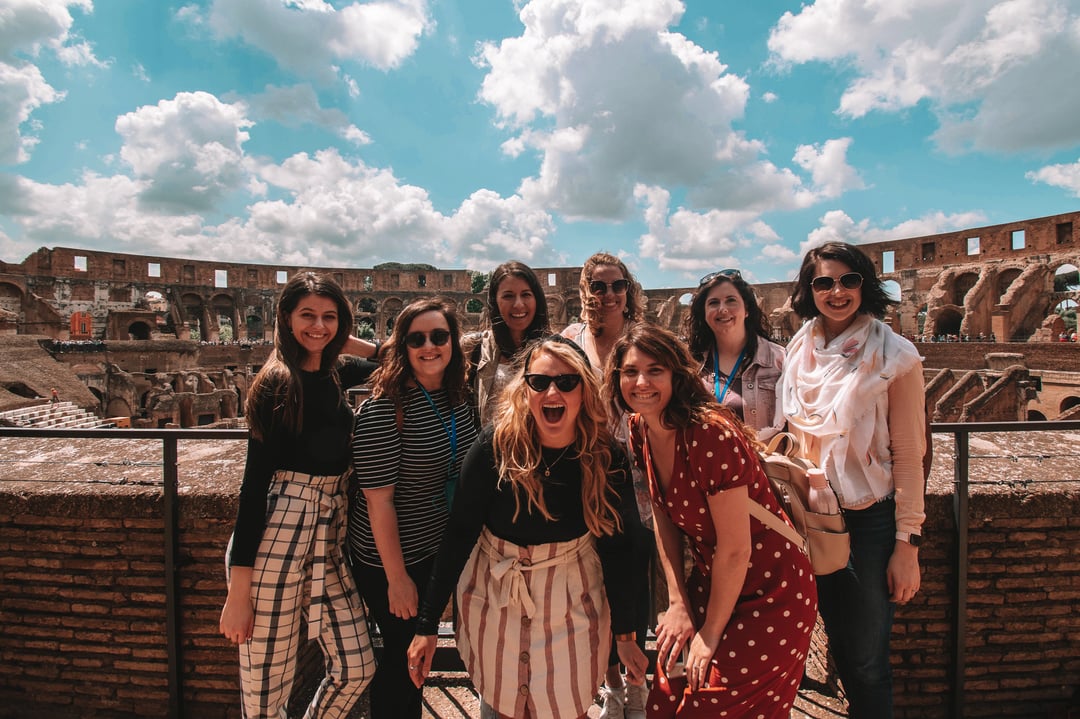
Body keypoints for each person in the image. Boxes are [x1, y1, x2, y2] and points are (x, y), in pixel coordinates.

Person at [406, 335, 647, 719]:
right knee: (504, 705)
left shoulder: (604, 456)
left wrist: (627, 635)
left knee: (567, 706)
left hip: (574, 594)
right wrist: (428, 624)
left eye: (567, 382)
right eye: (540, 382)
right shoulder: (495, 447)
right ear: (525, 389)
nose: (553, 391)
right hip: (497, 590)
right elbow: (459, 535)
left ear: (584, 390)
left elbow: (622, 550)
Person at [606, 323, 817, 719]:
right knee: (666, 700)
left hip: (773, 589)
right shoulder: (640, 429)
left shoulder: (708, 435)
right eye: (630, 371)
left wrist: (709, 634)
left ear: (676, 375)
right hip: (715, 582)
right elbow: (663, 520)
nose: (641, 382)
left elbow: (737, 549)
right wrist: (677, 603)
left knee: (709, 705)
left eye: (655, 370)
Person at [219, 272, 380, 718]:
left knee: (358, 665)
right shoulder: (276, 382)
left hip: (330, 534)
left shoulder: (335, 372)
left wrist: (341, 339)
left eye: (330, 317)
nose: (318, 326)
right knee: (266, 691)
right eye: (307, 315)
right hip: (278, 534)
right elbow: (252, 493)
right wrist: (238, 595)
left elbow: (393, 357)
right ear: (285, 318)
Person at [777, 241, 928, 719]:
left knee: (864, 660)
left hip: (868, 524)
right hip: (806, 517)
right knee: (820, 644)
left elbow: (908, 454)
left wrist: (907, 544)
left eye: (849, 280)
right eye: (823, 282)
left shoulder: (896, 355)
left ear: (866, 283)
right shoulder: (799, 349)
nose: (836, 291)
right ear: (809, 290)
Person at [348, 297, 479, 719]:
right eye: (416, 338)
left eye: (439, 336)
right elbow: (377, 500)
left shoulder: (457, 395)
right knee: (402, 658)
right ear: (401, 346)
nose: (429, 346)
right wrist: (397, 578)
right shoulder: (384, 407)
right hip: (391, 557)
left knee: (417, 655)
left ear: (453, 342)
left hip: (434, 546)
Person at [562, 253, 651, 718]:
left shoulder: (641, 341)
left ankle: (636, 689)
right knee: (592, 588)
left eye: (617, 286)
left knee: (632, 584)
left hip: (636, 479)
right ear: (585, 291)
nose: (608, 294)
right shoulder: (570, 341)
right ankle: (611, 685)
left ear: (628, 290)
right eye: (598, 286)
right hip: (580, 478)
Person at [684, 268, 786, 442]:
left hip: (763, 465)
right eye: (713, 303)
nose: (722, 309)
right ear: (704, 313)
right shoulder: (690, 363)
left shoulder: (779, 360)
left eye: (731, 300)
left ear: (747, 309)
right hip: (708, 466)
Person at [465, 260, 551, 425]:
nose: (518, 304)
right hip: (487, 447)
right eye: (508, 296)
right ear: (495, 301)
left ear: (537, 299)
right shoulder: (475, 348)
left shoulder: (554, 350)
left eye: (526, 294)